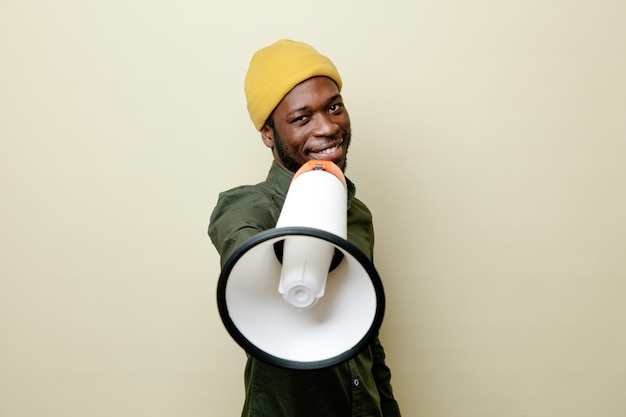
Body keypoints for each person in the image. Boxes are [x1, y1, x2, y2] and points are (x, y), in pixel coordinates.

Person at [208, 39, 401, 417]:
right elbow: (238, 239)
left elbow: (368, 342)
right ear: (268, 134)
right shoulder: (246, 206)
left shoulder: (357, 214)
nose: (328, 127)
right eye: (301, 118)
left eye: (334, 107)